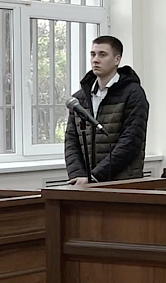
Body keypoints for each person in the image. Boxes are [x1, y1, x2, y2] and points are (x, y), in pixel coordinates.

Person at [64, 36, 149, 184]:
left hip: (122, 182)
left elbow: (131, 141)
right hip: (84, 183)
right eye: (93, 54)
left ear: (117, 59)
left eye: (102, 55)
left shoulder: (133, 93)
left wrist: (95, 177)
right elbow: (71, 141)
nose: (95, 60)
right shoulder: (79, 98)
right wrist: (78, 175)